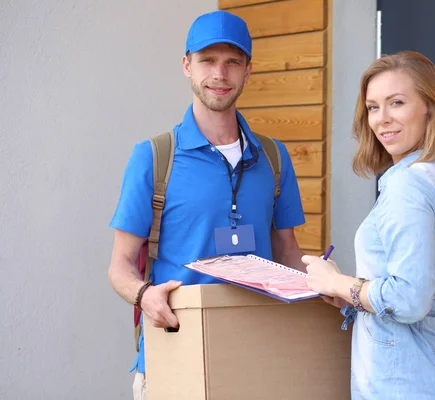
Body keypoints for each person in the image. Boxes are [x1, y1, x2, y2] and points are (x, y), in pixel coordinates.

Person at [107, 10, 306, 400]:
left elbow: (288, 253)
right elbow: (120, 266)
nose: (220, 74)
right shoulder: (153, 157)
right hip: (173, 353)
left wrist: (330, 286)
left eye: (232, 62)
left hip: (258, 356)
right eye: (208, 61)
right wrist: (144, 294)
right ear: (187, 66)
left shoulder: (275, 157)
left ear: (248, 71)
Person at [302, 51, 435, 399]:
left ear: (429, 106)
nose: (382, 119)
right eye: (373, 107)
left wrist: (339, 282)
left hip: (406, 381)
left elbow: (410, 300)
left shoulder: (407, 184)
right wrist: (349, 296)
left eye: (396, 102)